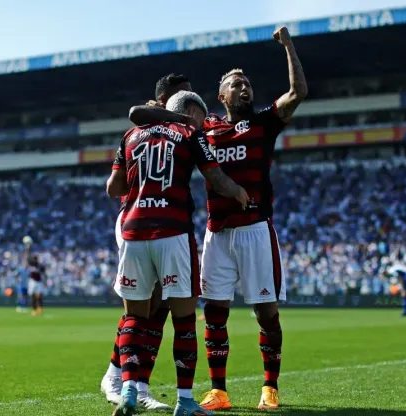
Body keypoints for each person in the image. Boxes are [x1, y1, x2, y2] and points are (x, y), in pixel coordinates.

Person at [127, 26, 307, 411]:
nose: (245, 88)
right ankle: (219, 390)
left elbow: (297, 94)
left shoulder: (262, 123)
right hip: (216, 233)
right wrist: (165, 107)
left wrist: (288, 46)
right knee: (214, 313)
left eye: (247, 84)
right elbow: (150, 118)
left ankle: (269, 387)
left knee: (266, 312)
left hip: (256, 229)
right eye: (236, 84)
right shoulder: (203, 128)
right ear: (220, 96)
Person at [109, 90, 248, 416]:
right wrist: (239, 191)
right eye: (201, 117)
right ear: (188, 112)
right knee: (184, 319)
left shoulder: (130, 136)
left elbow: (113, 188)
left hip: (133, 231)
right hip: (172, 231)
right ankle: (185, 402)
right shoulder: (190, 134)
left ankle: (129, 388)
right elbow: (215, 178)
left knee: (134, 318)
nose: (205, 125)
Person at [100, 73, 192, 411]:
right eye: (183, 95)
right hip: (136, 221)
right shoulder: (150, 122)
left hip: (154, 223)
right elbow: (136, 112)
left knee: (160, 305)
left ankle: (131, 381)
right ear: (165, 97)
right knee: (144, 305)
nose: (188, 102)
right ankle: (124, 380)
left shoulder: (170, 131)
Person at [23, 238, 46, 316]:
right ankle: (34, 309)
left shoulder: (40, 266)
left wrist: (45, 281)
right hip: (32, 281)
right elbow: (28, 257)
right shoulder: (32, 264)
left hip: (38, 281)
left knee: (39, 295)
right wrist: (28, 248)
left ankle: (40, 308)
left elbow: (44, 273)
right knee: (32, 295)